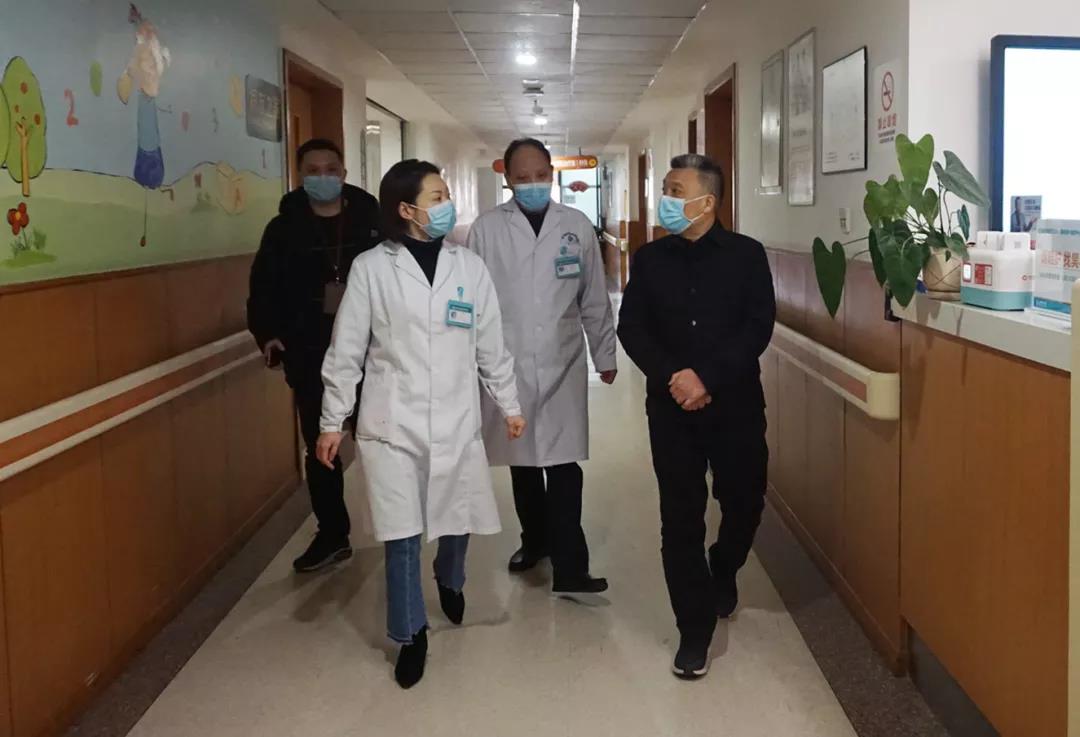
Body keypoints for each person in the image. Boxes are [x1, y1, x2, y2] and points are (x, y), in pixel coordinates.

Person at [315, 160, 525, 689]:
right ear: (406, 209)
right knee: (402, 532)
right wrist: (332, 420)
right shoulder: (371, 268)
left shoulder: (468, 267)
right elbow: (346, 350)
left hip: (456, 415)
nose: (447, 204)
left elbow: (490, 344)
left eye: (446, 193)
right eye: (438, 196)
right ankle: (410, 634)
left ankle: (450, 578)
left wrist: (510, 404)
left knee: (456, 516)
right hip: (393, 421)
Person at [617, 154, 775, 680]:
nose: (664, 198)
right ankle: (694, 628)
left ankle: (723, 566)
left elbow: (757, 327)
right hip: (670, 411)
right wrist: (675, 378)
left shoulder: (747, 256)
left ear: (707, 202)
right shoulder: (649, 259)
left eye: (675, 190)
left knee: (745, 501)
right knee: (680, 517)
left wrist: (706, 378)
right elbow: (632, 327)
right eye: (664, 188)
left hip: (735, 405)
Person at [467, 138, 617, 597]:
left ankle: (571, 566)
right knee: (523, 463)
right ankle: (534, 542)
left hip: (563, 360)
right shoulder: (487, 229)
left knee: (565, 464)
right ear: (507, 178)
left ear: (551, 174)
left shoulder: (575, 225)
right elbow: (472, 300)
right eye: (522, 177)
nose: (532, 184)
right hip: (506, 361)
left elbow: (593, 295)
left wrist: (605, 355)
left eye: (540, 175)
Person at [247, 138, 381, 573]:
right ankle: (332, 533)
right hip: (311, 354)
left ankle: (397, 521)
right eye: (313, 170)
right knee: (322, 445)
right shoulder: (283, 228)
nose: (323, 177)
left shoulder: (372, 222)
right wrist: (268, 334)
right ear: (300, 175)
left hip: (374, 352)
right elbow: (263, 286)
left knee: (381, 439)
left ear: (344, 173)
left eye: (331, 169)